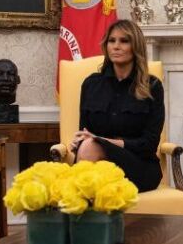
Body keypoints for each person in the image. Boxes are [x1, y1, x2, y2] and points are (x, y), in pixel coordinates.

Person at [69, 20, 164, 192]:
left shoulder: (152, 86)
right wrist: (78, 142)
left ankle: (77, 210)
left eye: (124, 41)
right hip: (97, 163)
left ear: (135, 47)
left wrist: (103, 142)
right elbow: (84, 131)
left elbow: (149, 144)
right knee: (88, 146)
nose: (116, 46)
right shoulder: (91, 84)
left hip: (139, 166)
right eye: (111, 41)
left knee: (90, 146)